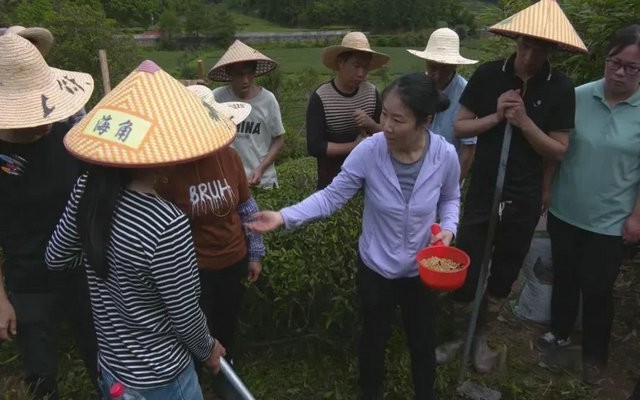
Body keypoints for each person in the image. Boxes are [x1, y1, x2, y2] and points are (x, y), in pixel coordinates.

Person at [247, 72, 460, 400]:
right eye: (384, 114)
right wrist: (284, 216)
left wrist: (447, 229)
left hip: (421, 270)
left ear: (425, 121)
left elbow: (450, 198)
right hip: (376, 267)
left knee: (422, 342)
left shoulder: (444, 155)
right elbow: (331, 197)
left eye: (398, 119)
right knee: (373, 340)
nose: (385, 125)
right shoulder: (370, 151)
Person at [45, 60, 231, 399]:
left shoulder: (87, 190)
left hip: (113, 368)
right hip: (162, 377)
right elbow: (185, 314)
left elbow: (57, 258)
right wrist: (208, 349)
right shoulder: (167, 223)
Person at [438, 0, 587, 372]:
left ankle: (482, 336)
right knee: (468, 260)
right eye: (525, 45)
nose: (530, 55)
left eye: (540, 49)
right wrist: (496, 115)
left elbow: (558, 150)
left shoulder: (560, 88)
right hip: (484, 186)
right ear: (516, 41)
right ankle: (457, 334)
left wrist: (522, 121)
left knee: (505, 268)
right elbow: (461, 126)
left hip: (523, 193)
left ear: (551, 51)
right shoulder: (489, 75)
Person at [538, 24, 640, 385]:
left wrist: (636, 217)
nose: (619, 72)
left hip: (611, 220)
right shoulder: (578, 96)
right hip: (567, 208)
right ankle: (559, 332)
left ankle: (595, 355)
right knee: (564, 276)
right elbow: (555, 151)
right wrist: (546, 190)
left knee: (598, 289)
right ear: (605, 59)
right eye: (615, 62)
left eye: (631, 67)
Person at [0, 33, 98, 400]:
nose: (43, 122)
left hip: (82, 270)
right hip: (28, 279)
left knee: (100, 354)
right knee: (41, 371)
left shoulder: (67, 132)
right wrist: (1, 299)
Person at [156, 84, 265, 399]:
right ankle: (191, 375)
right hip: (195, 267)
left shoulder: (228, 158)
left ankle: (225, 372)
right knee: (193, 324)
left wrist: (255, 253)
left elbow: (247, 207)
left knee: (227, 320)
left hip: (233, 259)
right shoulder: (169, 172)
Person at [307, 31, 389, 189]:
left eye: (365, 68)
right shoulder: (322, 97)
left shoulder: (371, 93)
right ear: (340, 62)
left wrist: (371, 124)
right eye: (356, 65)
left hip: (367, 181)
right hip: (332, 183)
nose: (361, 73)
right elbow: (315, 146)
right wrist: (353, 146)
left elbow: (386, 133)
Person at [209, 39, 285, 189]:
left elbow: (279, 139)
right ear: (229, 74)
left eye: (249, 74)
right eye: (239, 75)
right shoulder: (216, 98)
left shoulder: (268, 100)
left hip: (262, 182)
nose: (245, 80)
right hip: (228, 183)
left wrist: (261, 169)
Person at [407, 27, 478, 182]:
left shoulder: (466, 94)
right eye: (433, 68)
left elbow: (468, 149)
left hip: (445, 176)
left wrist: (452, 187)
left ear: (455, 66)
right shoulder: (415, 88)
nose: (437, 76)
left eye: (445, 69)